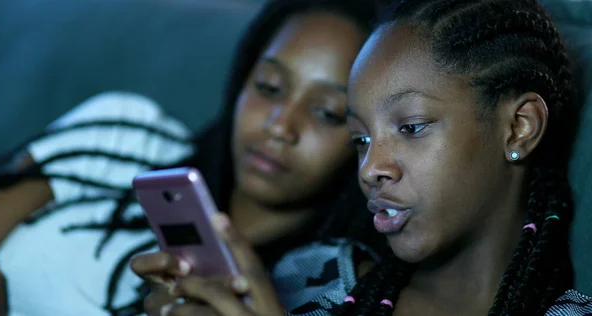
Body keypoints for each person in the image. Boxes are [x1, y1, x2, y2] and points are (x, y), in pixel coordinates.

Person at [135, 0, 592, 315]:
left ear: (519, 126)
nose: (371, 169)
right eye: (359, 139)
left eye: (410, 128)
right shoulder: (311, 277)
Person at [0, 0, 381, 315]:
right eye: (269, 87)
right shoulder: (125, 133)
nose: (280, 127)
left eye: (328, 112)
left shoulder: (326, 288)